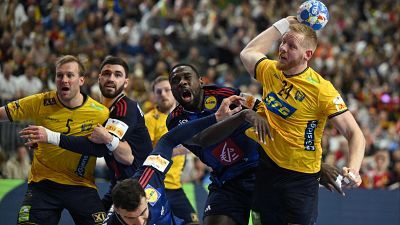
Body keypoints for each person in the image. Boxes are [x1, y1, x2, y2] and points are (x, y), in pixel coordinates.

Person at [167, 63, 343, 225]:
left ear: (200, 82)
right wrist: (242, 116)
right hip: (228, 181)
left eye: (186, 77)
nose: (182, 82)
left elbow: (275, 124)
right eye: (175, 81)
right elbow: (202, 139)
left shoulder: (226, 95)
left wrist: (314, 166)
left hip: (264, 171)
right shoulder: (175, 120)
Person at [240, 16, 366, 224]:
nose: (282, 48)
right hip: (266, 168)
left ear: (308, 55)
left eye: (292, 46)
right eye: (283, 42)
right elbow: (248, 53)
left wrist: (354, 168)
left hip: (300, 178)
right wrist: (281, 25)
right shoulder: (271, 71)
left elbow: (355, 134)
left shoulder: (321, 90)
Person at [105, 95, 267, 225]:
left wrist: (215, 118)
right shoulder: (112, 221)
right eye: (130, 219)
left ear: (146, 196)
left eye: (142, 212)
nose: (140, 222)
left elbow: (169, 139)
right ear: (118, 212)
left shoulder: (151, 175)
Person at [21, 56, 153, 211]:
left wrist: (50, 136)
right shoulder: (100, 111)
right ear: (99, 78)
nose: (111, 78)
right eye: (106, 74)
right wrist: (44, 141)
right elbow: (81, 136)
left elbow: (101, 149)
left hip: (140, 185)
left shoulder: (125, 108)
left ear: (126, 82)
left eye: (117, 75)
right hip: (119, 183)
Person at [0, 55, 110, 225]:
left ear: (81, 80)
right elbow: (3, 113)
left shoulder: (100, 113)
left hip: (81, 185)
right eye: (59, 75)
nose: (64, 80)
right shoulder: (41, 101)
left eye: (70, 75)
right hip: (43, 184)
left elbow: (102, 148)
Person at [144, 76, 198, 224]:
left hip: (176, 187)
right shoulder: (149, 119)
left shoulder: (184, 116)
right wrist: (179, 150)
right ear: (154, 96)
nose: (163, 94)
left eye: (167, 90)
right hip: (155, 186)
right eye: (159, 91)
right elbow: (146, 154)